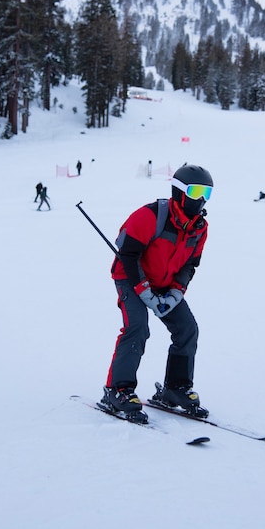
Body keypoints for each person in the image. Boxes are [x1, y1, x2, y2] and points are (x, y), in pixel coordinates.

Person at [100, 164, 213, 424]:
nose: (202, 200)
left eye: (207, 193)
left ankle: (176, 388)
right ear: (180, 192)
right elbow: (128, 255)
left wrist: (175, 293)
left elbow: (189, 264)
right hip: (130, 278)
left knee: (187, 329)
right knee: (137, 327)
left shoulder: (199, 228)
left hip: (165, 282)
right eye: (196, 192)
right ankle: (118, 390)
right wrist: (144, 291)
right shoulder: (150, 216)